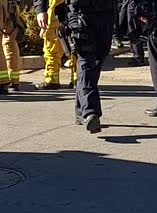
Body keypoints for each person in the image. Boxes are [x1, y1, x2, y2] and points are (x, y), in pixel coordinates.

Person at [34, 0, 113, 133]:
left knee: (98, 58)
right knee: (86, 59)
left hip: (105, 13)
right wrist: (41, 9)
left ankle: (81, 109)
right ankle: (90, 112)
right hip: (79, 13)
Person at [34, 0, 76, 90]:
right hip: (63, 8)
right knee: (57, 45)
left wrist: (40, 10)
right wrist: (41, 10)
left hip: (66, 8)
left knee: (73, 44)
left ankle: (53, 80)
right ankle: (76, 79)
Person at [119, 0, 147, 66]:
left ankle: (138, 57)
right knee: (131, 30)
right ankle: (137, 56)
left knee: (134, 31)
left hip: (135, 5)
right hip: (131, 4)